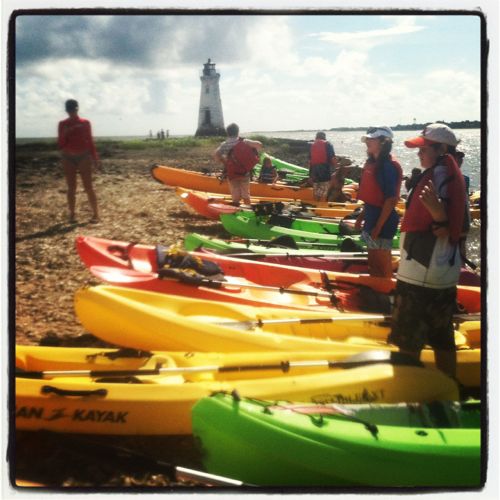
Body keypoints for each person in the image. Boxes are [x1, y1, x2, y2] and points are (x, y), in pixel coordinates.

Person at [387, 123, 467, 379]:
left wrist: (439, 216)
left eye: (424, 149)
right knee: (442, 337)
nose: (419, 154)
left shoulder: (442, 177)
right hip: (441, 277)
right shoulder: (451, 176)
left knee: (407, 340)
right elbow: (459, 225)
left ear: (442, 149)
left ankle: (405, 391)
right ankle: (450, 390)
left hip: (420, 277)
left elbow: (448, 226)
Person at [355, 127, 402, 278]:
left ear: (383, 142)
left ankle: (386, 291)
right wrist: (361, 217)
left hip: (383, 222)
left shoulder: (387, 166)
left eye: (371, 139)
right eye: (367, 139)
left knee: (381, 264)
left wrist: (378, 227)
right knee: (373, 262)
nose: (367, 141)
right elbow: (372, 199)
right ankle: (376, 289)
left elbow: (391, 200)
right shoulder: (373, 163)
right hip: (371, 218)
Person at [57, 99, 100, 223]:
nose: (72, 111)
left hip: (83, 156)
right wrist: (64, 134)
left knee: (88, 187)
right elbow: (60, 144)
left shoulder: (85, 123)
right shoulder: (62, 124)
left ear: (77, 108)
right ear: (66, 110)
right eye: (70, 109)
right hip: (67, 157)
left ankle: (96, 214)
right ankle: (72, 215)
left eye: (74, 109)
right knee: (71, 188)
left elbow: (90, 141)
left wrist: (95, 157)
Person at [214, 123, 263, 205]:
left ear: (227, 132)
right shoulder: (244, 141)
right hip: (244, 173)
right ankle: (248, 210)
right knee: (246, 194)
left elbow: (216, 155)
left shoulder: (224, 145)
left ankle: (236, 209)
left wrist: (224, 162)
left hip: (232, 173)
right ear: (238, 132)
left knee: (235, 194)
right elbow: (259, 145)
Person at [308, 131, 338, 201]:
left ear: (316, 137)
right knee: (324, 190)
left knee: (316, 190)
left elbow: (310, 161)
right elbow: (333, 158)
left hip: (314, 171)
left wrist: (310, 175)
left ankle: (316, 204)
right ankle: (321, 206)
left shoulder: (312, 145)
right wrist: (337, 167)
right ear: (324, 137)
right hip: (324, 170)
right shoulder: (328, 144)